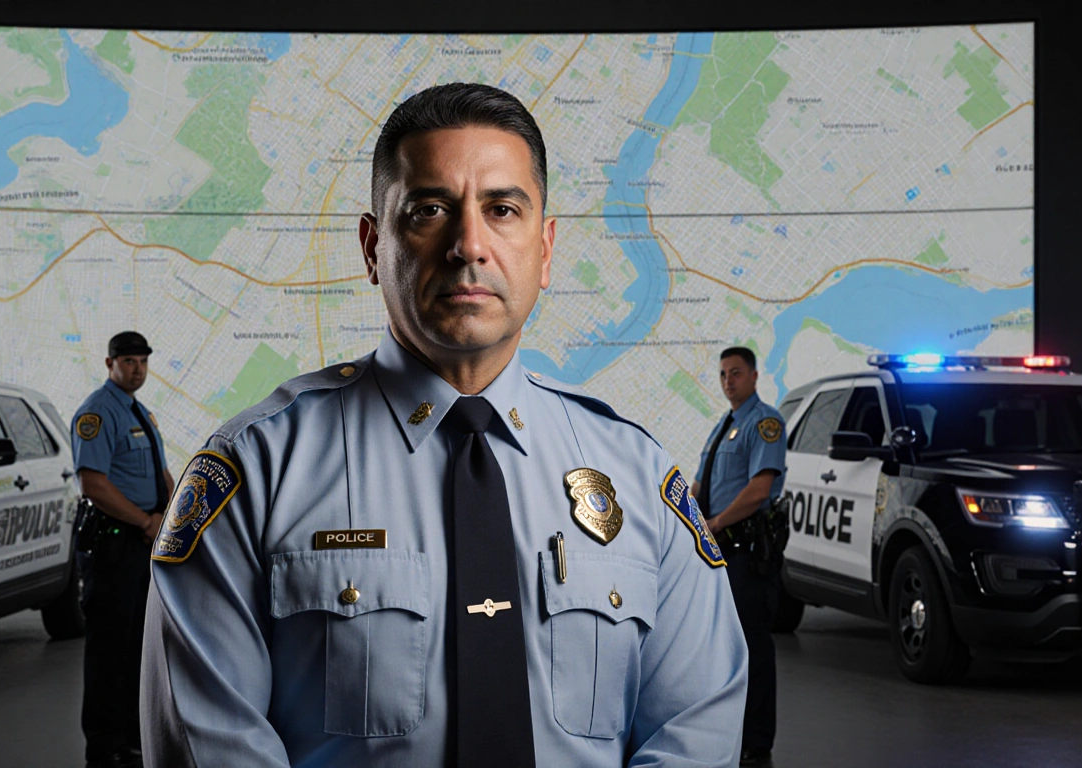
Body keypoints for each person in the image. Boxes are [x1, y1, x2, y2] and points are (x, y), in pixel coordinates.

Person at [141, 83, 749, 767]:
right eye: (429, 210)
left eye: (502, 209)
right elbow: (210, 744)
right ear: (373, 247)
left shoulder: (639, 477)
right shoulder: (253, 472)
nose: (469, 245)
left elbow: (695, 732)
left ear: (546, 250)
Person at [72, 331, 175, 768]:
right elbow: (93, 484)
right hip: (115, 542)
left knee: (138, 646)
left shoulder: (138, 411)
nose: (137, 369)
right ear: (110, 362)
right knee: (110, 651)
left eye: (142, 362)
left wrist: (171, 517)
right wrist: (146, 521)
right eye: (129, 361)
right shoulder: (98, 411)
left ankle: (133, 738)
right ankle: (105, 747)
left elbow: (161, 472)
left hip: (143, 542)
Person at [690, 346, 787, 767]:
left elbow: (760, 489)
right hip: (720, 553)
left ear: (753, 376)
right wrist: (687, 519)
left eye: (736, 373)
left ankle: (757, 740)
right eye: (724, 374)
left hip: (746, 552)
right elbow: (699, 484)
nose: (729, 381)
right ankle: (730, 733)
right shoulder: (724, 426)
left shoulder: (764, 423)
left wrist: (714, 523)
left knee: (752, 649)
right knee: (723, 648)